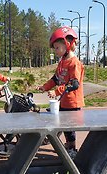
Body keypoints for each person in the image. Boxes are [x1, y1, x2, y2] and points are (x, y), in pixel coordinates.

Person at [37, 26, 85, 158]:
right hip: (63, 100)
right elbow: (56, 78)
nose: (56, 51)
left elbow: (74, 84)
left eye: (57, 47)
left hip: (73, 102)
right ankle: (62, 142)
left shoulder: (74, 63)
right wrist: (45, 87)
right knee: (61, 124)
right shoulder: (63, 61)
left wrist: (57, 92)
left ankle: (72, 149)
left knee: (69, 128)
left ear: (67, 44)